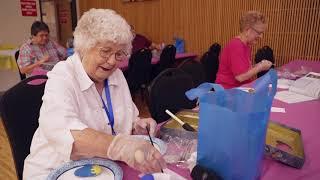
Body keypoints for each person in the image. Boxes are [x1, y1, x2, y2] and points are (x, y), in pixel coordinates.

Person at [23, 9, 166, 179]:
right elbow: (70, 137)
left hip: (100, 169)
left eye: (119, 53)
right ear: (85, 46)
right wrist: (122, 147)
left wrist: (138, 125)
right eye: (105, 51)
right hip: (55, 170)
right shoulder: (62, 77)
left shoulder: (117, 76)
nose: (113, 61)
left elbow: (127, 115)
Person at [215, 11, 273, 89]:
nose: (261, 36)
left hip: (240, 88)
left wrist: (258, 65)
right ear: (247, 30)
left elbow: (244, 70)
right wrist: (260, 67)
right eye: (259, 33)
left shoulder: (246, 45)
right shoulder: (236, 45)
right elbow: (240, 77)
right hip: (229, 91)